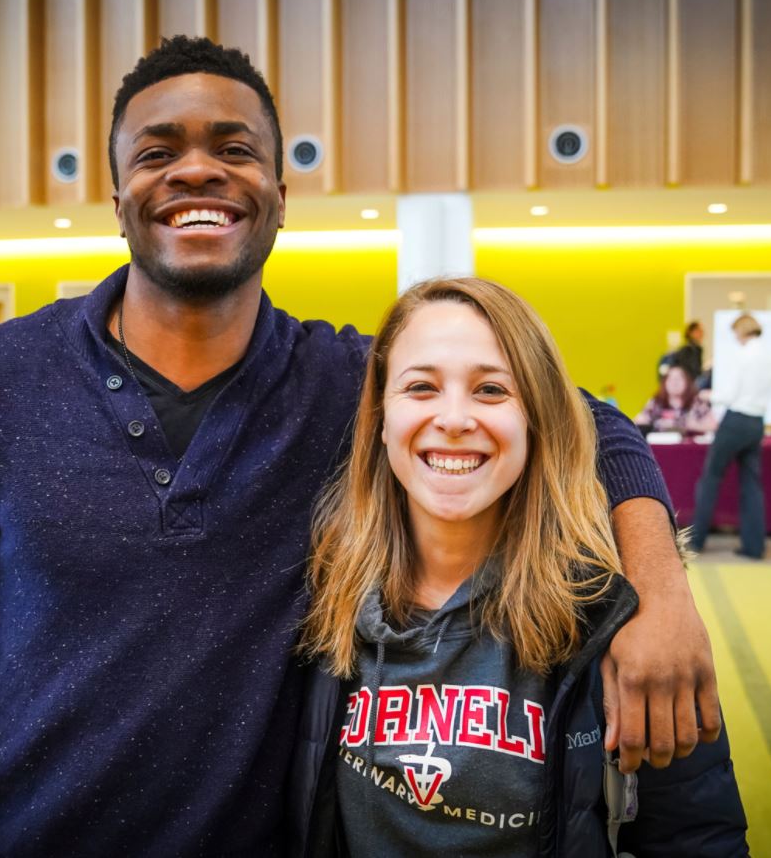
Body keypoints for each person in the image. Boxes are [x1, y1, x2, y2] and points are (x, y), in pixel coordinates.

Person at [0, 36, 718, 856]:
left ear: (276, 192)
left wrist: (659, 588)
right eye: (157, 153)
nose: (197, 168)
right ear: (118, 198)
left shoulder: (346, 384)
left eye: (233, 148)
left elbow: (588, 421)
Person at [294, 278, 746, 855]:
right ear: (380, 419)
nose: (454, 418)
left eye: (490, 390)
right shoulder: (323, 595)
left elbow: (698, 839)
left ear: (535, 421)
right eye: (421, 387)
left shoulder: (615, 622)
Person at [688, 314, 771, 560]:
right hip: (756, 423)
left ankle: (696, 541)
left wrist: (707, 394)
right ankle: (754, 547)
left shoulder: (743, 356)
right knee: (752, 485)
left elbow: (729, 393)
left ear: (742, 330)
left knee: (710, 478)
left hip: (735, 421)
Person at [634, 364, 717, 435]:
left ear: (687, 382)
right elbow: (638, 422)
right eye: (670, 379)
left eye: (679, 379)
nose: (674, 382)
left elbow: (713, 426)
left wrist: (687, 425)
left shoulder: (696, 402)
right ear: (665, 383)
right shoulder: (656, 402)